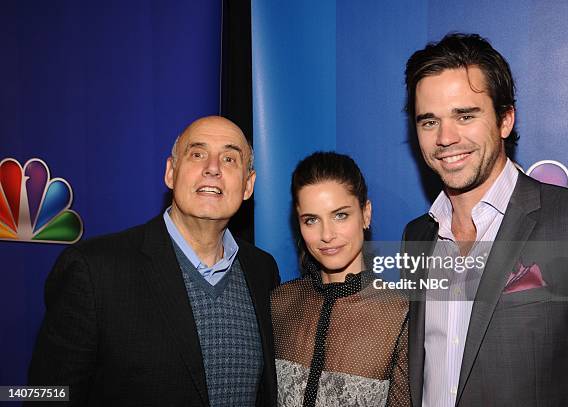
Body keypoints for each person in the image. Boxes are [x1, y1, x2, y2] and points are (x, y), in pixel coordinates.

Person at [402, 33, 568, 406]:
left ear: (504, 119)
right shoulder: (416, 235)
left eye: (465, 115)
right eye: (429, 121)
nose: (445, 138)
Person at [28, 116, 280, 406]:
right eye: (197, 154)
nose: (212, 168)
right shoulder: (93, 270)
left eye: (229, 159)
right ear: (171, 172)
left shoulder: (263, 271)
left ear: (248, 185)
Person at [271, 151, 410, 407]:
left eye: (340, 215)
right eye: (311, 220)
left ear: (365, 214)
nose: (326, 235)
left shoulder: (400, 314)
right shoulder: (279, 302)